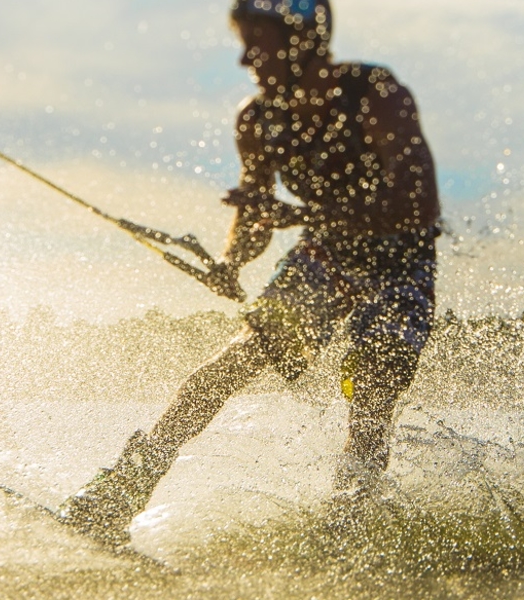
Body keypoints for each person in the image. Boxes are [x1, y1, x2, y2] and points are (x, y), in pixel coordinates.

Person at [57, 0, 441, 546]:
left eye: (256, 45)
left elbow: (418, 205)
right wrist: (232, 260)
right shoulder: (258, 120)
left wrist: (303, 215)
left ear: (302, 41)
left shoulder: (374, 94)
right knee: (233, 362)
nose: (245, 61)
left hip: (400, 261)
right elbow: (256, 215)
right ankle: (122, 489)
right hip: (326, 255)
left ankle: (350, 524)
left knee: (371, 390)